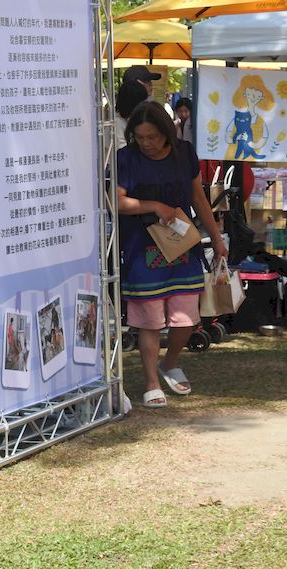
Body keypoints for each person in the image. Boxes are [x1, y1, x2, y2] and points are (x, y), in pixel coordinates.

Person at [117, 102, 228, 408]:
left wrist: (216, 237)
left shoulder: (184, 153)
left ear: (166, 132)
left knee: (185, 317)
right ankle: (151, 381)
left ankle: (170, 362)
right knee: (150, 319)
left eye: (152, 137)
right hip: (140, 245)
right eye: (140, 137)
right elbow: (118, 202)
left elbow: (198, 197)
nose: (146, 143)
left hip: (183, 243)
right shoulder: (126, 158)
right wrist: (154, 206)